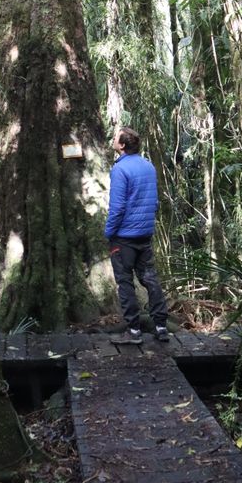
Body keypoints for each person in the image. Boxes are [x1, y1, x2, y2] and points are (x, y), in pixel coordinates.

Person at [105, 126, 169, 344]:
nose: (113, 140)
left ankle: (133, 331)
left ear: (122, 145)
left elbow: (117, 208)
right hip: (145, 235)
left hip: (124, 237)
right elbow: (154, 200)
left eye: (115, 138)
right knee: (150, 279)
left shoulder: (120, 170)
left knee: (125, 283)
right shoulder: (148, 166)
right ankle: (161, 326)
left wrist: (109, 232)